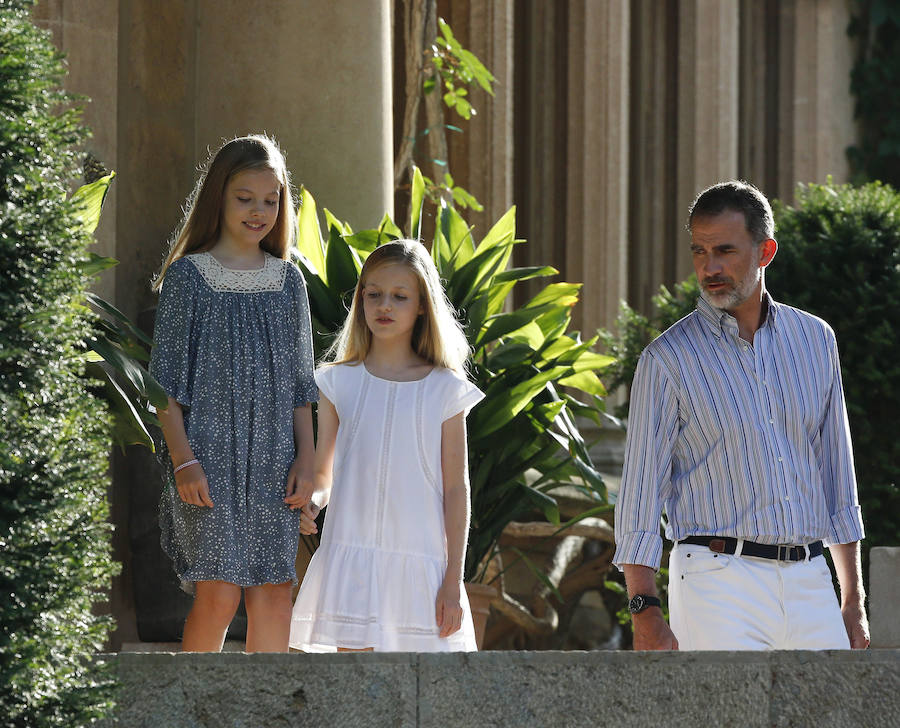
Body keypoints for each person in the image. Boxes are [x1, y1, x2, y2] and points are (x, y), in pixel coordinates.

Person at [613, 180, 869, 651]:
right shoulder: (666, 360)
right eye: (699, 251)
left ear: (765, 251)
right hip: (715, 581)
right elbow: (640, 493)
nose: (709, 268)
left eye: (725, 251)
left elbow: (837, 474)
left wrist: (852, 597)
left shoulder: (816, 341)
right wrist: (644, 609)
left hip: (811, 580)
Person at [149, 135, 317, 652]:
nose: (259, 211)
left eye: (271, 200)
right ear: (218, 196)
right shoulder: (187, 279)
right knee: (218, 595)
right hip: (207, 462)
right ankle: (192, 710)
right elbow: (163, 386)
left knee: (274, 594)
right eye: (245, 197)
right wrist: (183, 461)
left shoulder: (289, 283)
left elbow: (299, 387)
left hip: (275, 463)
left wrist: (307, 462)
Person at [286, 240, 483, 652]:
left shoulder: (446, 389)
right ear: (360, 300)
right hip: (351, 561)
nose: (384, 306)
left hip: (423, 570)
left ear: (423, 305)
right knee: (354, 699)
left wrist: (452, 580)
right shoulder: (338, 381)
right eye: (373, 294)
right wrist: (314, 503)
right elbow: (326, 472)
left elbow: (455, 489)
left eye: (399, 296)